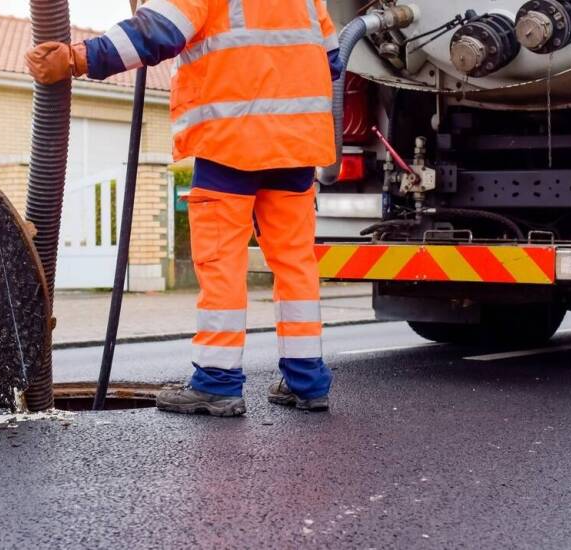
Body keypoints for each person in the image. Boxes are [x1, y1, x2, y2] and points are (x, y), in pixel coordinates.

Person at [26, 0, 343, 417]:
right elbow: (333, 60)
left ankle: (217, 383)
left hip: (230, 143)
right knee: (296, 264)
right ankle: (307, 382)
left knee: (221, 264)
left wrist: (78, 58)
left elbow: (155, 33)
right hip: (298, 147)